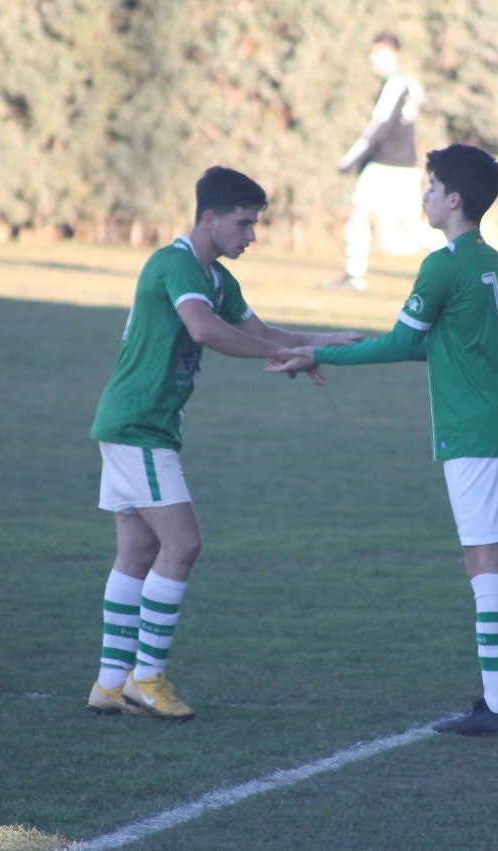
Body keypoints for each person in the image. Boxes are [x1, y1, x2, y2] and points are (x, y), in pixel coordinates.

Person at [271, 143, 498, 736]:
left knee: (483, 559)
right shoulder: (490, 258)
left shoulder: (443, 263)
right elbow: (446, 340)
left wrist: (318, 354)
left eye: (429, 187)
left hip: (476, 429)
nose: (423, 195)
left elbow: (404, 343)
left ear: (454, 199)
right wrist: (334, 347)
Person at [87, 166, 360, 720]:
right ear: (209, 218)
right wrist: (279, 357)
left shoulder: (215, 277)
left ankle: (111, 683)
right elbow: (204, 331)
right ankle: (147, 677)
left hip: (132, 424)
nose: (252, 235)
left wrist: (318, 343)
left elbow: (262, 333)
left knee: (138, 550)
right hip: (139, 426)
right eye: (244, 223)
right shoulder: (175, 264)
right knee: (183, 545)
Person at [322, 31, 442, 291]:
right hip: (403, 165)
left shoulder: (395, 84)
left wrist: (351, 158)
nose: (372, 57)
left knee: (358, 211)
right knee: (408, 224)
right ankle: (464, 256)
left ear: (394, 55)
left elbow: (378, 125)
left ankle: (354, 276)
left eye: (378, 52)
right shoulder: (408, 83)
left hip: (386, 163)